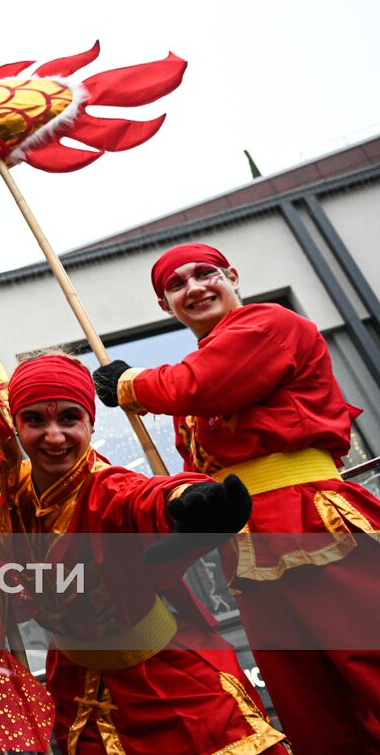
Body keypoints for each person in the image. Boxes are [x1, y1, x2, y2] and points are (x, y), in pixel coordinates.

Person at [94, 242, 380, 753]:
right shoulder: (188, 389)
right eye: (176, 285)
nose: (195, 288)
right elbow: (198, 478)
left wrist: (130, 383)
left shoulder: (270, 324)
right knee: (307, 704)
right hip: (248, 549)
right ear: (166, 307)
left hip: (312, 518)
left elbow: (205, 384)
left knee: (369, 664)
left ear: (232, 276)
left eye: (205, 274)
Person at [7, 353, 284, 754]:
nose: (53, 436)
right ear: (16, 425)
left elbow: (143, 498)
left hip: (166, 682)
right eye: (35, 420)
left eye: (69, 418)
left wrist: (189, 498)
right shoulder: (7, 498)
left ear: (90, 422)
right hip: (77, 688)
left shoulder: (106, 488)